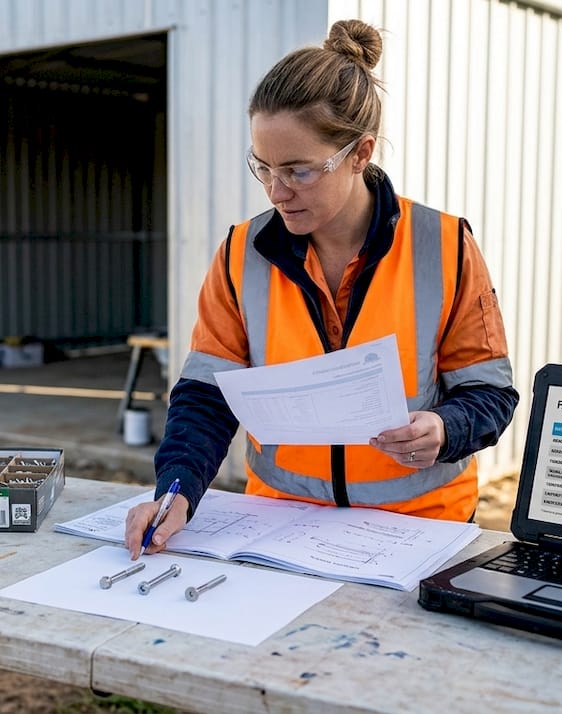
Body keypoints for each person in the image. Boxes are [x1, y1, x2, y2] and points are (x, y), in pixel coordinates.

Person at [125, 20, 518, 559]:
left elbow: (490, 394)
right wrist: (176, 488)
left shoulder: (444, 245)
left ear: (361, 153)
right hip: (278, 529)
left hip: (420, 532)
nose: (276, 191)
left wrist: (445, 428)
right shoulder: (241, 253)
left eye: (299, 171)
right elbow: (206, 395)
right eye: (261, 167)